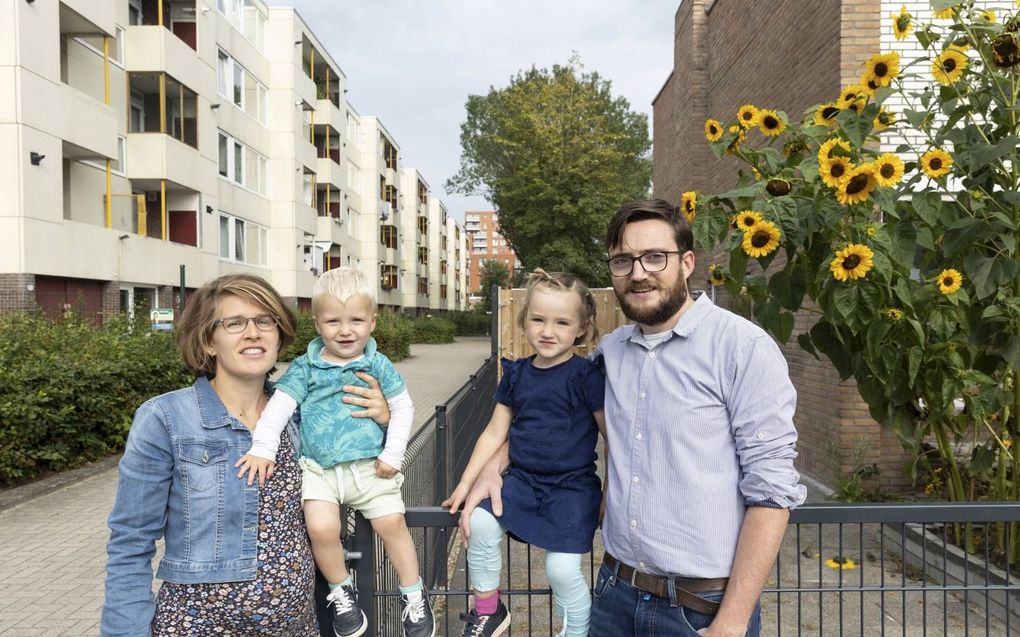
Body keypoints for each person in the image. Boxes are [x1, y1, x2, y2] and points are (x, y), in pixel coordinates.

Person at [458, 200, 806, 637]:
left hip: (701, 608)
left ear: (687, 263)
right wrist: (497, 461)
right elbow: (555, 419)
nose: (638, 272)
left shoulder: (741, 348)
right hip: (614, 595)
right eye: (624, 260)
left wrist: (732, 622)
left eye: (655, 257)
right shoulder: (609, 354)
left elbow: (772, 492)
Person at [101, 273, 391, 636]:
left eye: (264, 321)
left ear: (279, 334)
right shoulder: (166, 419)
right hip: (194, 628)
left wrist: (383, 420)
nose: (253, 332)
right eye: (235, 323)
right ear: (209, 341)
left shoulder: (304, 415)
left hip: (298, 627)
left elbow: (372, 471)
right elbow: (130, 542)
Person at [236, 267, 435, 637]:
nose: (345, 330)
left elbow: (403, 407)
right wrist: (263, 448)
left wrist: (393, 454)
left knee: (392, 525)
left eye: (356, 320)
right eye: (333, 321)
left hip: (370, 467)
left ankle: (413, 595)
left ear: (372, 322)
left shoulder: (377, 364)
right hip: (320, 470)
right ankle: (342, 591)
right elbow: (278, 407)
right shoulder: (306, 367)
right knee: (320, 528)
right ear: (317, 323)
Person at [443, 269, 607, 637]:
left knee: (562, 572)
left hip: (571, 488)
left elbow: (611, 438)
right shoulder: (516, 374)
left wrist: (610, 493)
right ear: (524, 321)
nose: (548, 331)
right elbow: (492, 433)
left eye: (562, 322)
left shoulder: (587, 376)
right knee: (481, 524)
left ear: (581, 329)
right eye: (538, 319)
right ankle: (489, 610)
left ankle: (577, 631)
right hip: (522, 481)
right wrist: (465, 484)